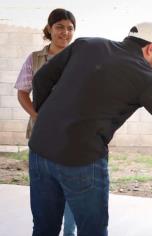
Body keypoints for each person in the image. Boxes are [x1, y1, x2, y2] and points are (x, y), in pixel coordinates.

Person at [28, 22, 152, 236]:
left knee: (44, 229)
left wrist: (44, 117)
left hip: (39, 150)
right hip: (82, 160)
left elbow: (41, 78)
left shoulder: (87, 44)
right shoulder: (147, 77)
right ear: (150, 48)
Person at [14, 8, 77, 236]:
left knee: (73, 197)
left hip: (73, 139)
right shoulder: (35, 59)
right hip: (42, 139)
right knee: (44, 202)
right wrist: (37, 117)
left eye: (70, 28)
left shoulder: (79, 58)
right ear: (50, 29)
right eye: (60, 27)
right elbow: (22, 92)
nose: (65, 32)